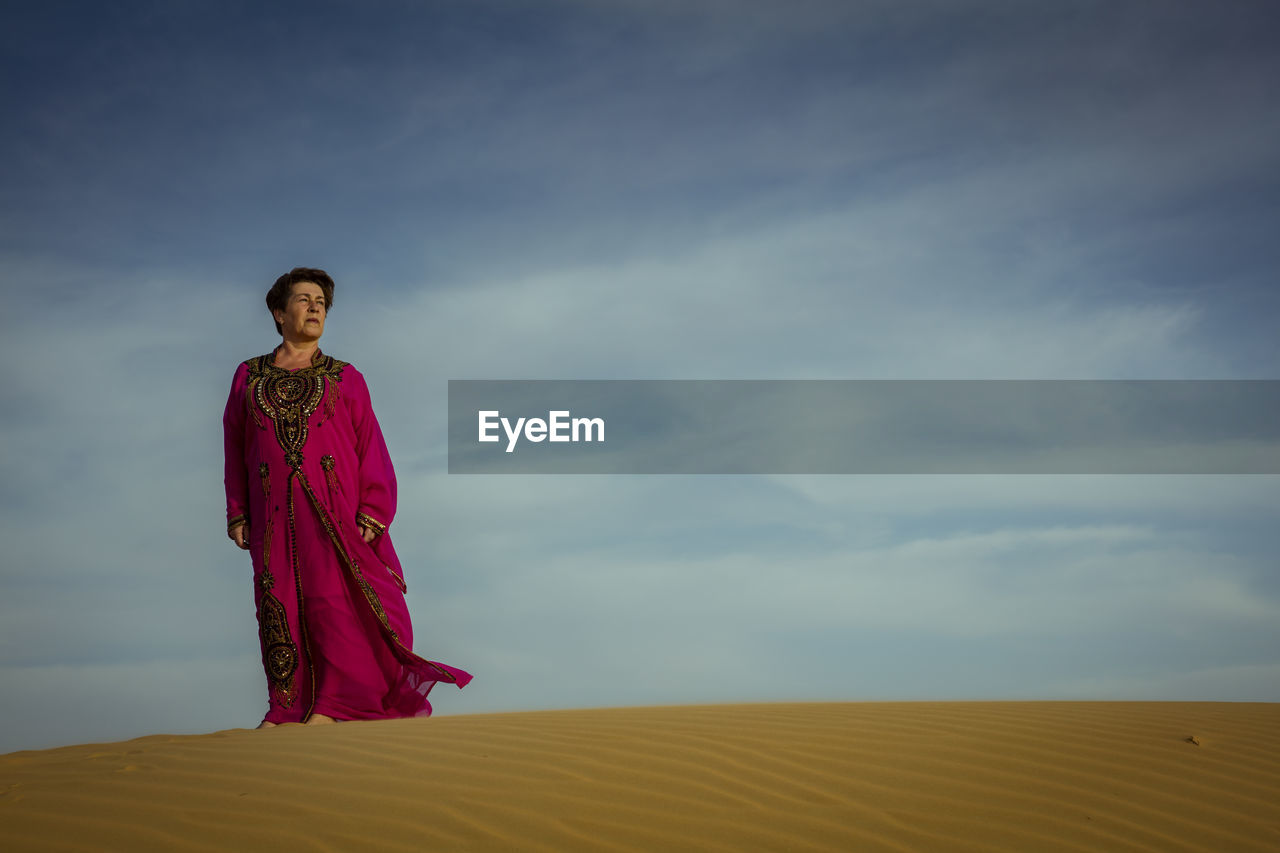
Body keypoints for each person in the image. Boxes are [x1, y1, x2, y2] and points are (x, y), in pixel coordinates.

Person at [223, 267, 471, 727]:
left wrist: (374, 511)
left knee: (334, 604)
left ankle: (337, 704)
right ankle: (286, 707)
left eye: (320, 301)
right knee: (278, 608)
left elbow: (369, 446)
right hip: (272, 516)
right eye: (303, 299)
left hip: (335, 513)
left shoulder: (345, 377)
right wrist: (237, 511)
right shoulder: (249, 377)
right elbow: (235, 445)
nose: (315, 306)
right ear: (279, 313)